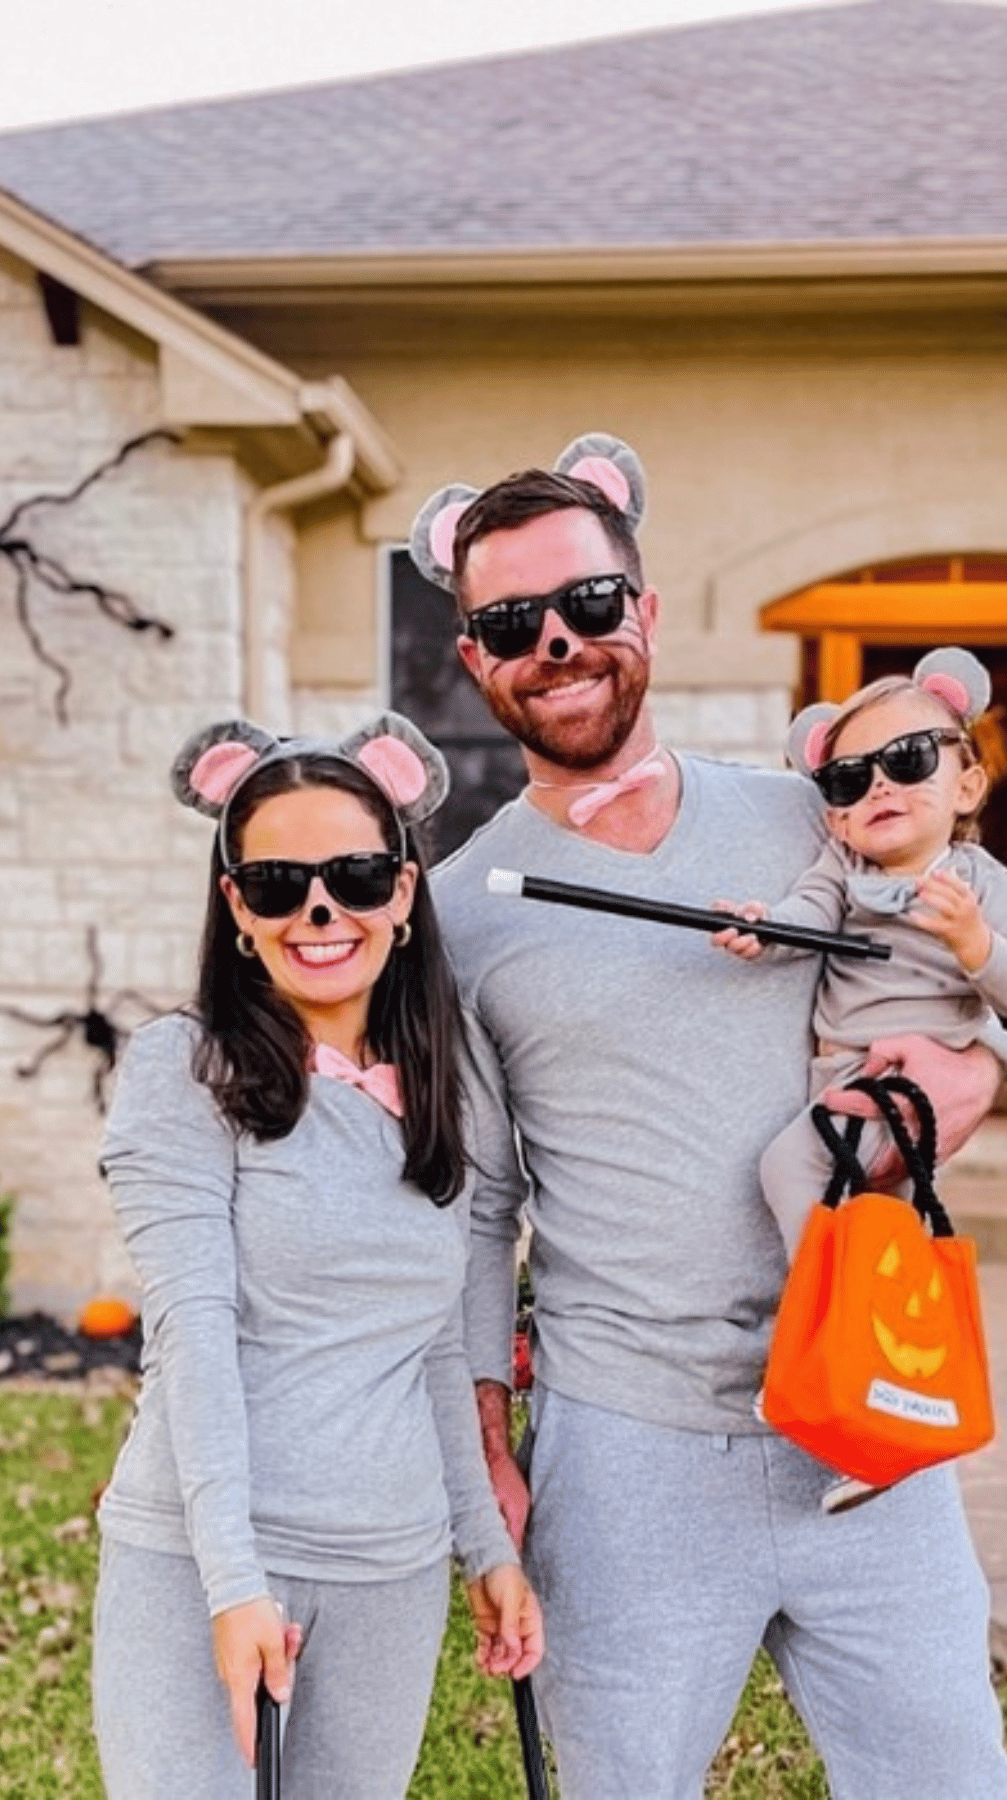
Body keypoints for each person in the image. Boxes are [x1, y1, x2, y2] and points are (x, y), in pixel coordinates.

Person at [412, 434, 1007, 1800]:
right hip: (629, 1453)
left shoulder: (820, 822)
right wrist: (485, 1454)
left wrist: (971, 1079)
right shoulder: (457, 914)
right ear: (473, 658)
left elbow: (960, 996)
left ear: (648, 612)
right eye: (513, 623)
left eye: (587, 605)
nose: (557, 642)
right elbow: (479, 1202)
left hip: (871, 1418)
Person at [92, 712, 542, 1800]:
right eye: (279, 882)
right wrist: (235, 1587)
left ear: (405, 888)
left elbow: (434, 1344)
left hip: (388, 1568)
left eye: (352, 873)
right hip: (202, 1561)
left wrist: (487, 1551)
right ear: (235, 906)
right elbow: (190, 1338)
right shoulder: (183, 1071)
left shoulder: (443, 1081)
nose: (321, 910)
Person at [710, 650, 1007, 1508]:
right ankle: (877, 1416)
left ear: (967, 785)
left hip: (904, 1082)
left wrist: (974, 943)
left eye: (909, 762)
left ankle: (815, 1343)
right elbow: (805, 922)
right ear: (835, 818)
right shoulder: (845, 877)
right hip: (844, 1079)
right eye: (850, 781)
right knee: (878, 1248)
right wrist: (764, 928)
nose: (879, 791)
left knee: (790, 1169)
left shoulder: (979, 884)